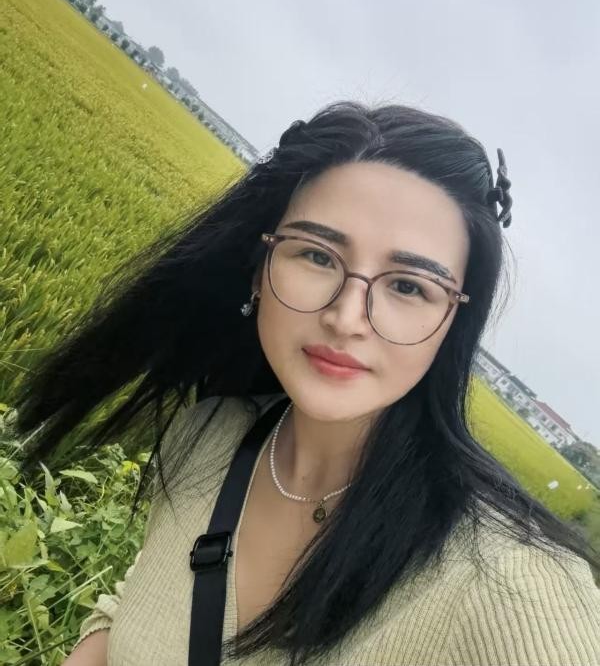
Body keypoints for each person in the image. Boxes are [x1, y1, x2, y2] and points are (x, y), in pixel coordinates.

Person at [15, 101, 600, 666]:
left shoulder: (518, 590)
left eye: (408, 286)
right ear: (259, 270)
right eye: (318, 256)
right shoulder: (206, 435)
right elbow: (141, 609)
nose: (346, 318)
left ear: (451, 324)